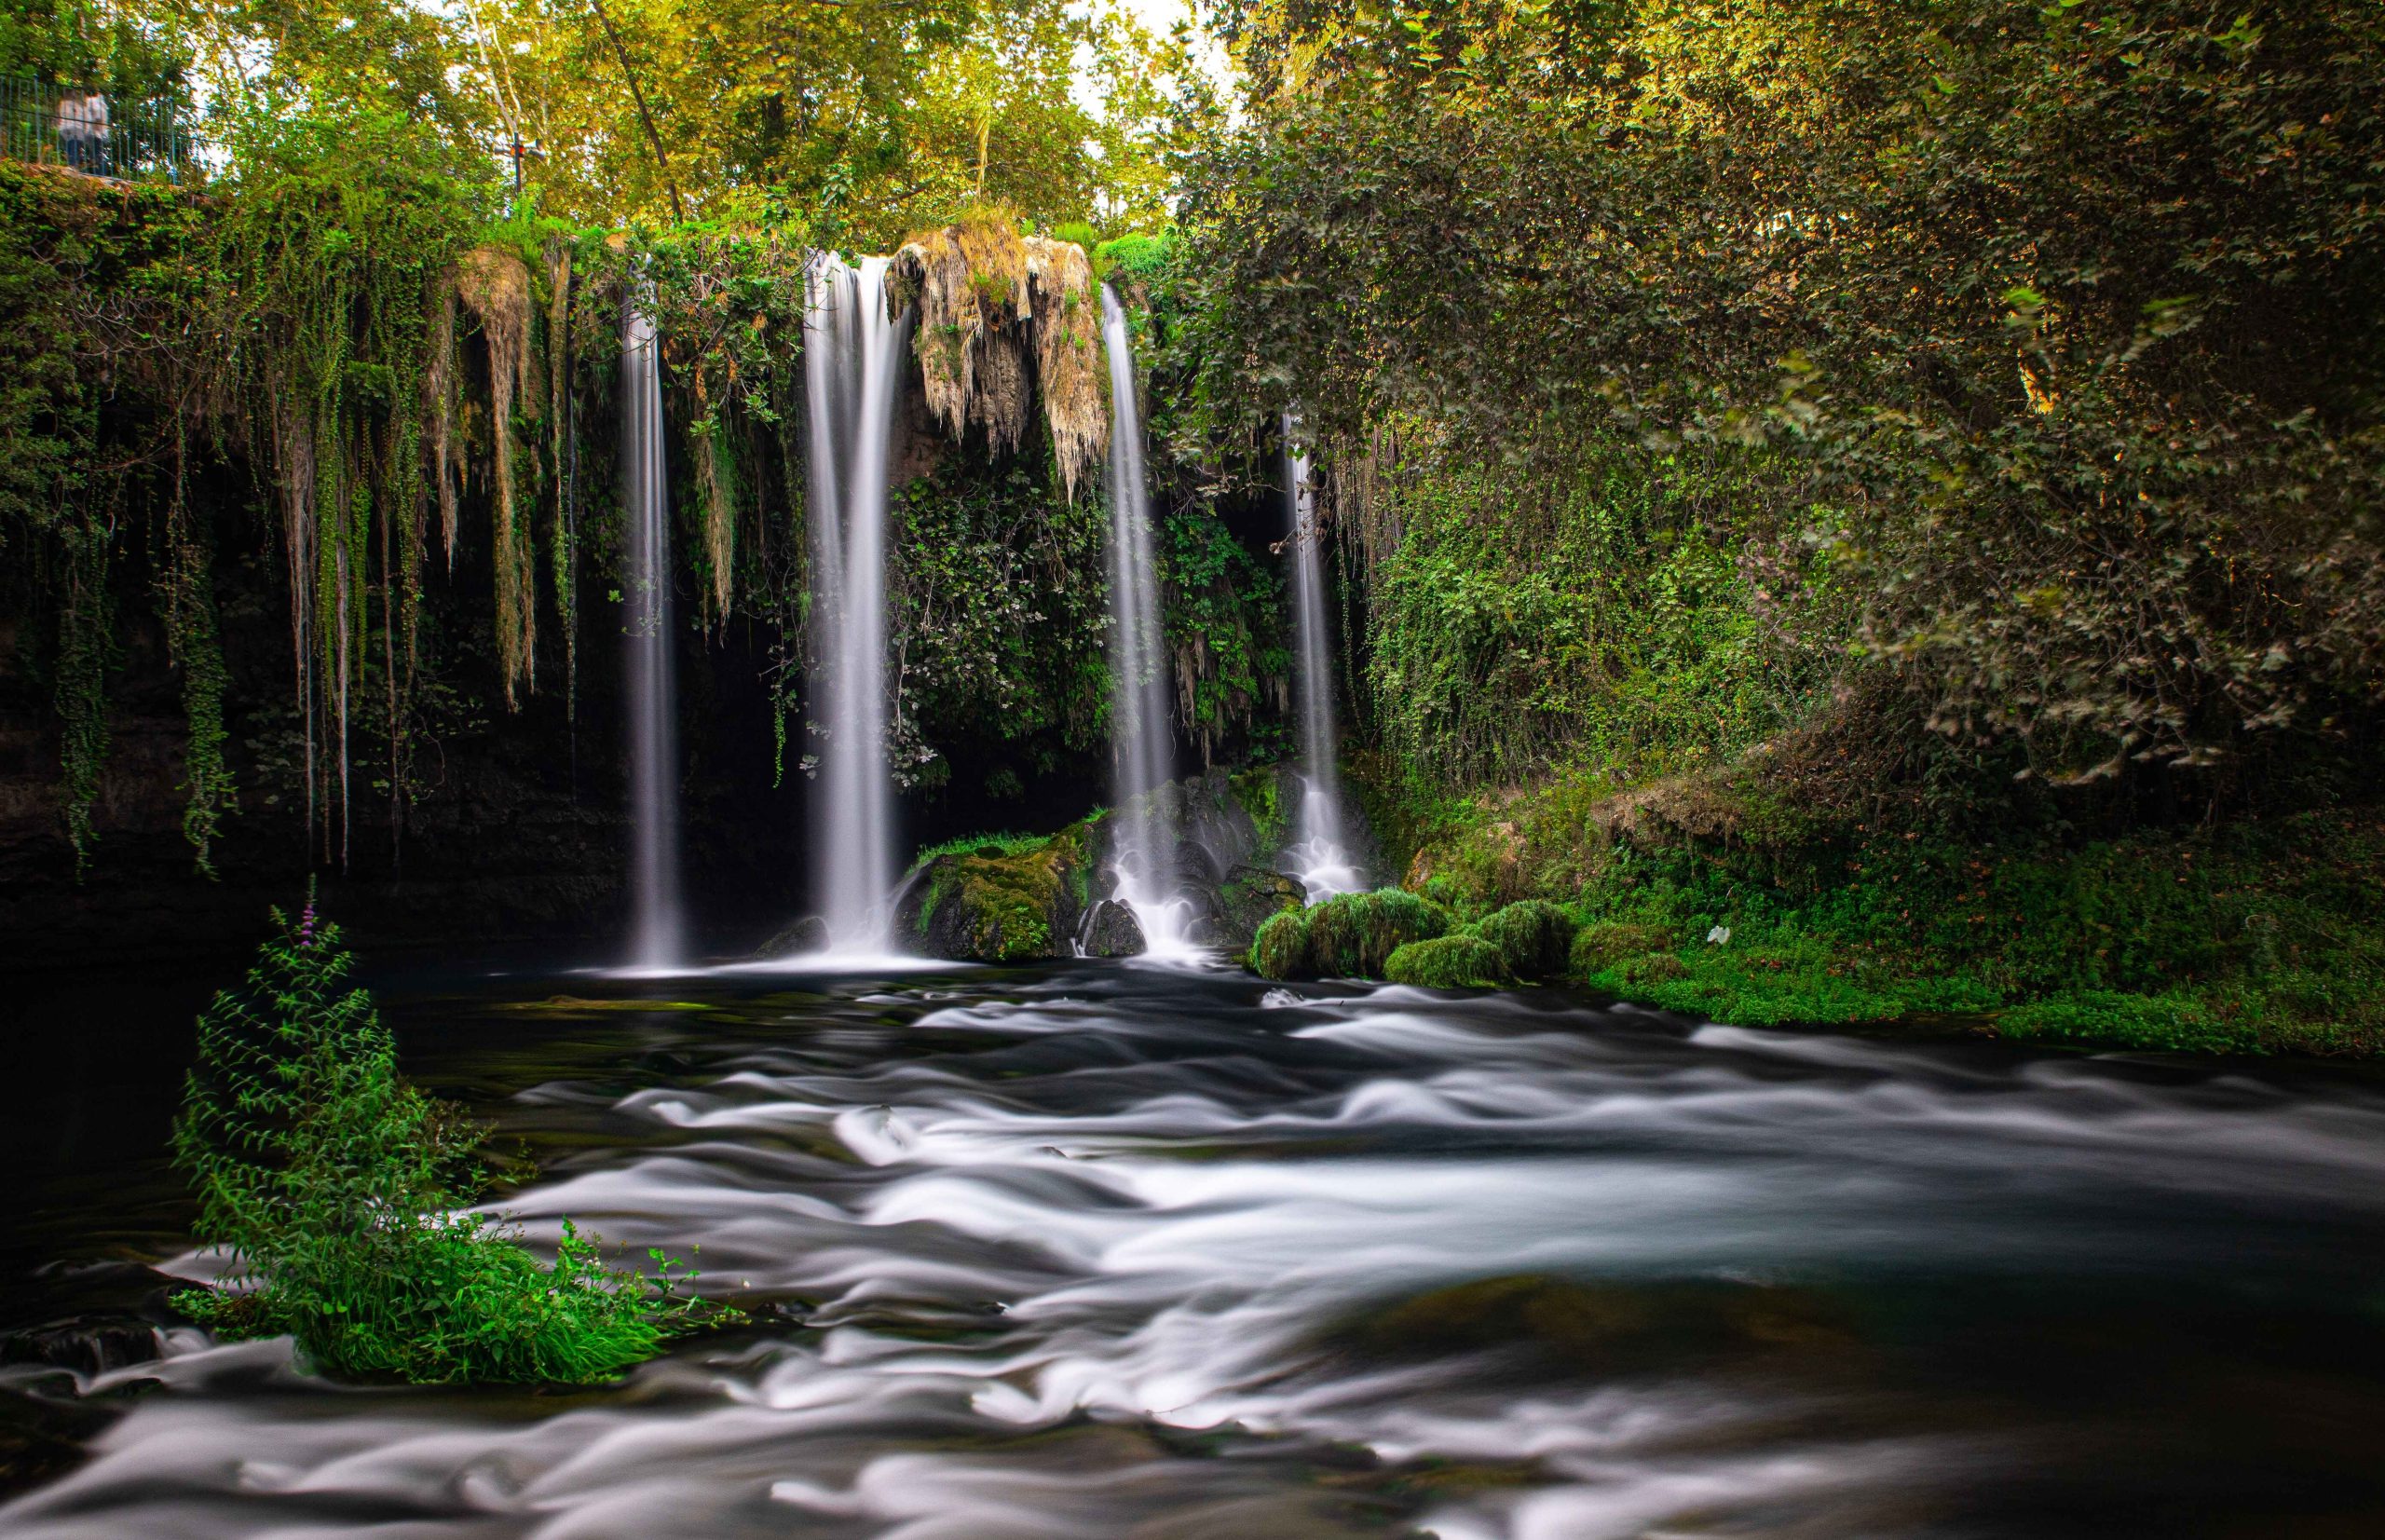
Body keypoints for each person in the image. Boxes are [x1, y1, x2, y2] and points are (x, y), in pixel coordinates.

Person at [56, 89, 110, 174]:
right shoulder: (101, 104)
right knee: (94, 155)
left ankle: (75, 167)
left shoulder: (93, 101)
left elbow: (96, 118)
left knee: (79, 150)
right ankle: (96, 173)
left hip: (91, 132)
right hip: (90, 132)